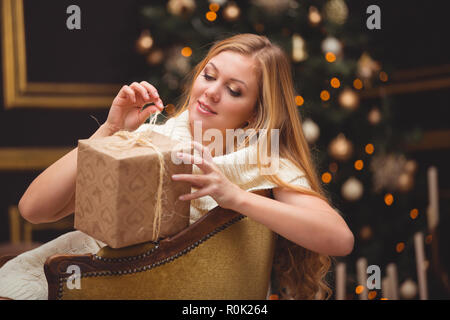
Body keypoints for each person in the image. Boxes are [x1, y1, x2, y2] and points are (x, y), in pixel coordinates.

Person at [0, 33, 353, 300]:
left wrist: (236, 197)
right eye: (209, 75)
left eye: (234, 90)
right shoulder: (155, 134)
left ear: (255, 113)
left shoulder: (263, 158)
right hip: (90, 269)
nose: (211, 92)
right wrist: (110, 132)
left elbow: (339, 238)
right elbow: (35, 210)